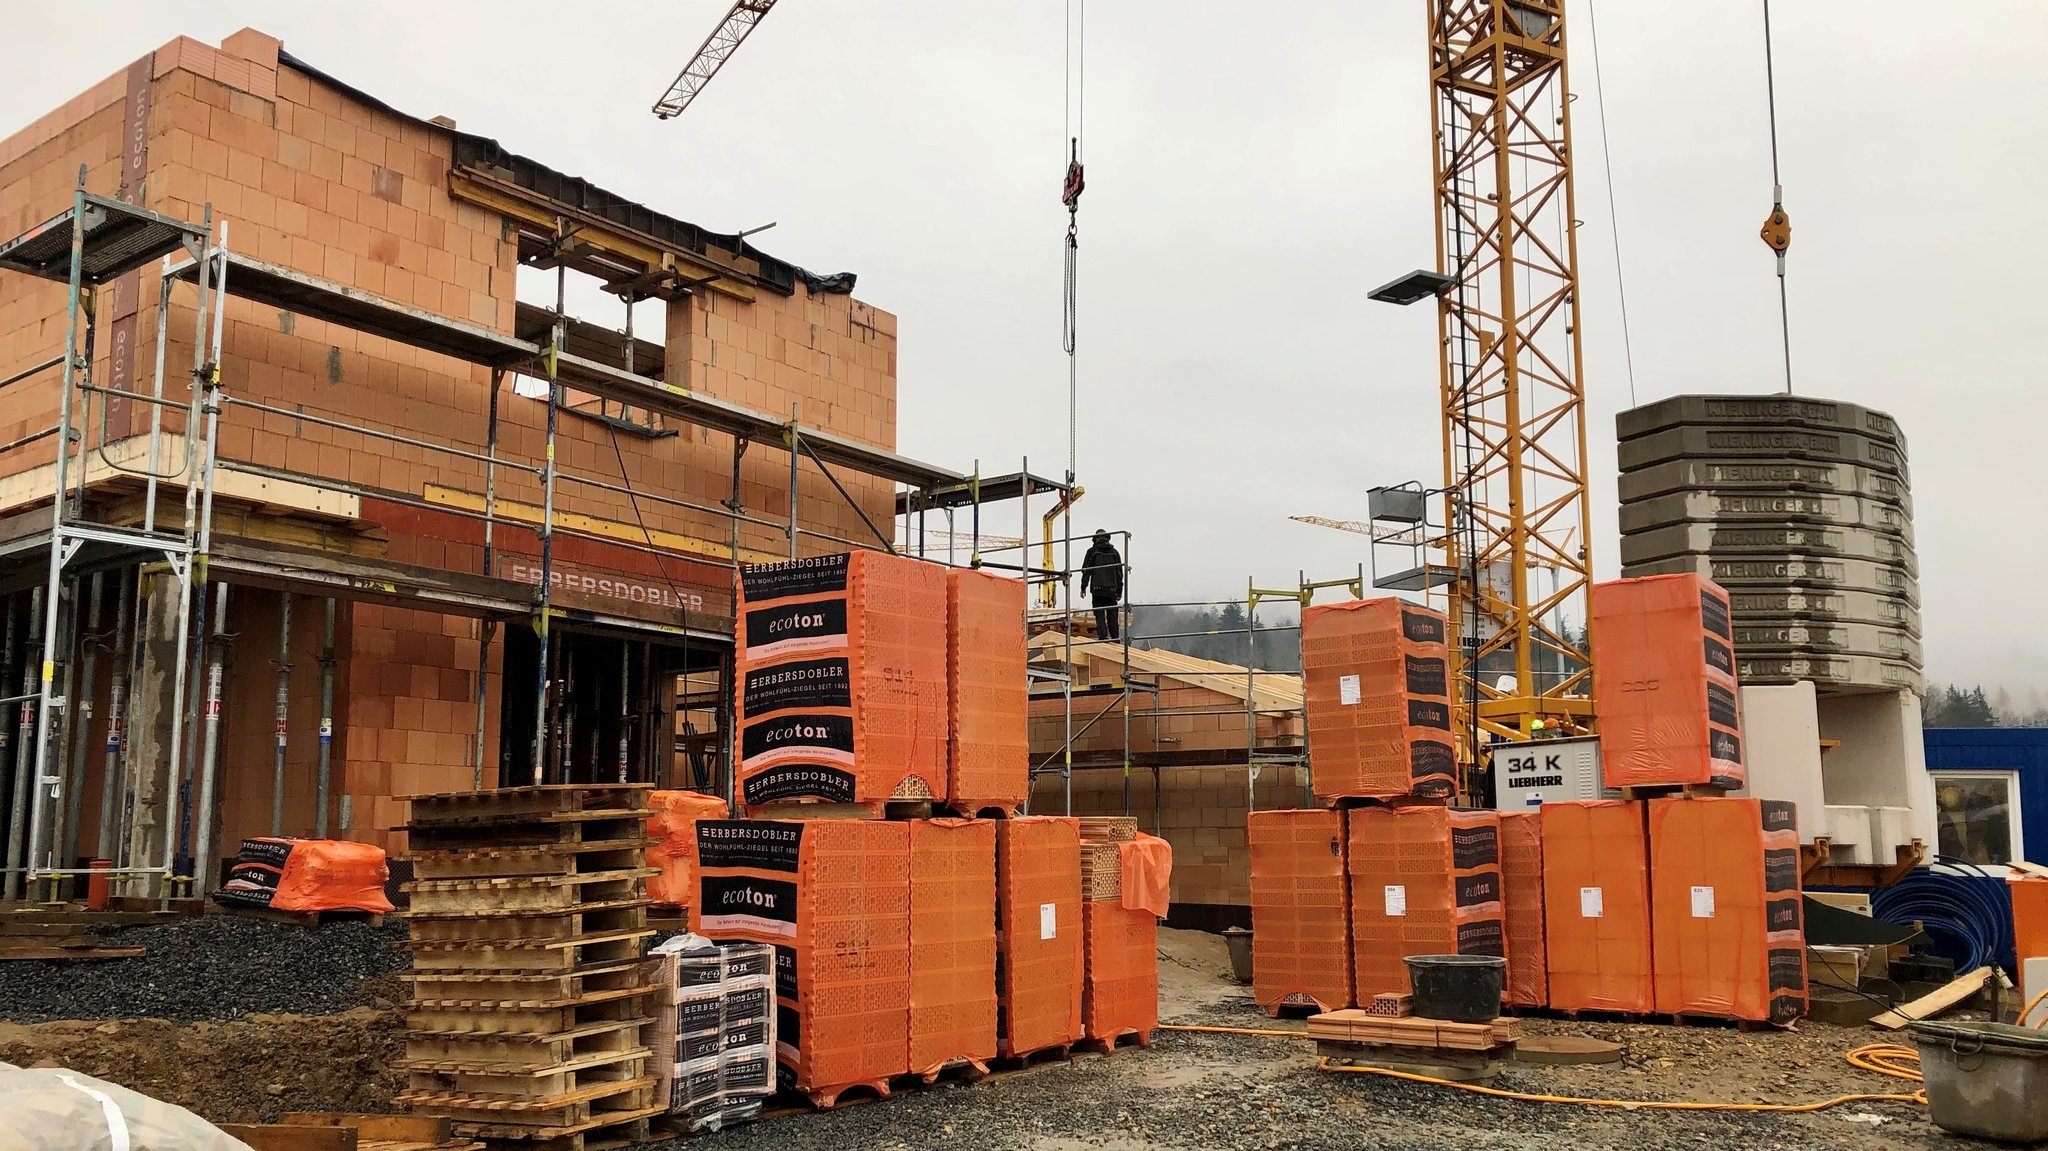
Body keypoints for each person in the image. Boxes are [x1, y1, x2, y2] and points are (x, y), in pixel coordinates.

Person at [1079, 529, 1123, 641]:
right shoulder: (1115, 552)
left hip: (1097, 589)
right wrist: (1119, 591)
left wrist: (1083, 587)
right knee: (1112, 614)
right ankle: (1115, 638)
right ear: (1107, 538)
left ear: (1095, 539)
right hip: (1112, 590)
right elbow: (1119, 574)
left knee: (1099, 614)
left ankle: (1103, 637)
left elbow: (1086, 571)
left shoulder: (1092, 552)